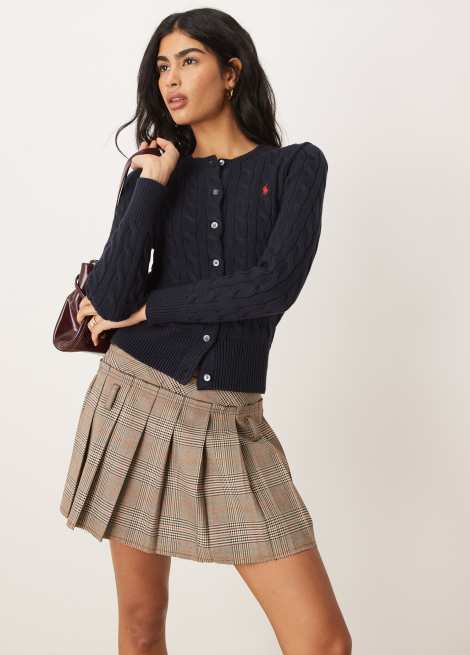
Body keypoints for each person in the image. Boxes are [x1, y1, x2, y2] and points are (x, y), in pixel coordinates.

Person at [59, 7, 352, 655]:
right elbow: (110, 299)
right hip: (135, 399)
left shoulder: (296, 167)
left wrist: (152, 310)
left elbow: (271, 287)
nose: (171, 78)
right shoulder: (156, 170)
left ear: (231, 71)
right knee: (141, 627)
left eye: (188, 60)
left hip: (230, 417)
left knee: (321, 641)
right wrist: (149, 184)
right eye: (162, 66)